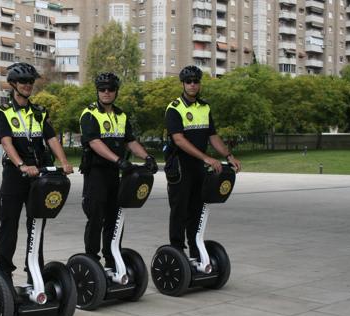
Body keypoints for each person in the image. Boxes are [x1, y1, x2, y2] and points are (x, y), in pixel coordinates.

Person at [0, 62, 73, 284]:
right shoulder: (4, 112)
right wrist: (21, 165)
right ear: (13, 84)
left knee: (37, 224)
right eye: (23, 82)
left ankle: (34, 271)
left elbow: (51, 139)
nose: (28, 85)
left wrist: (65, 161)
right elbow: (6, 143)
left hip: (39, 176)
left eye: (31, 82)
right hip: (15, 175)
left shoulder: (39, 112)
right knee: (9, 225)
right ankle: (3, 273)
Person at [79, 72, 158, 269]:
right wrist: (118, 160)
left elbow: (130, 141)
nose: (106, 92)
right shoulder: (89, 114)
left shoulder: (121, 115)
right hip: (96, 173)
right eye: (102, 89)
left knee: (115, 218)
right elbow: (95, 142)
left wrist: (147, 157)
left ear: (116, 92)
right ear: (97, 91)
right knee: (96, 217)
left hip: (116, 174)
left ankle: (112, 257)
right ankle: (91, 260)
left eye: (110, 89)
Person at [164, 65, 241, 258]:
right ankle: (177, 251)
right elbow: (179, 140)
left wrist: (228, 156)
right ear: (183, 84)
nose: (192, 85)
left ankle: (196, 249)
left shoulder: (205, 107)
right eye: (188, 82)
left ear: (199, 84)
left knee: (197, 209)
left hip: (198, 168)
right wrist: (206, 157)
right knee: (179, 210)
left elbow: (212, 136)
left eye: (195, 81)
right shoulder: (174, 108)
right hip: (180, 167)